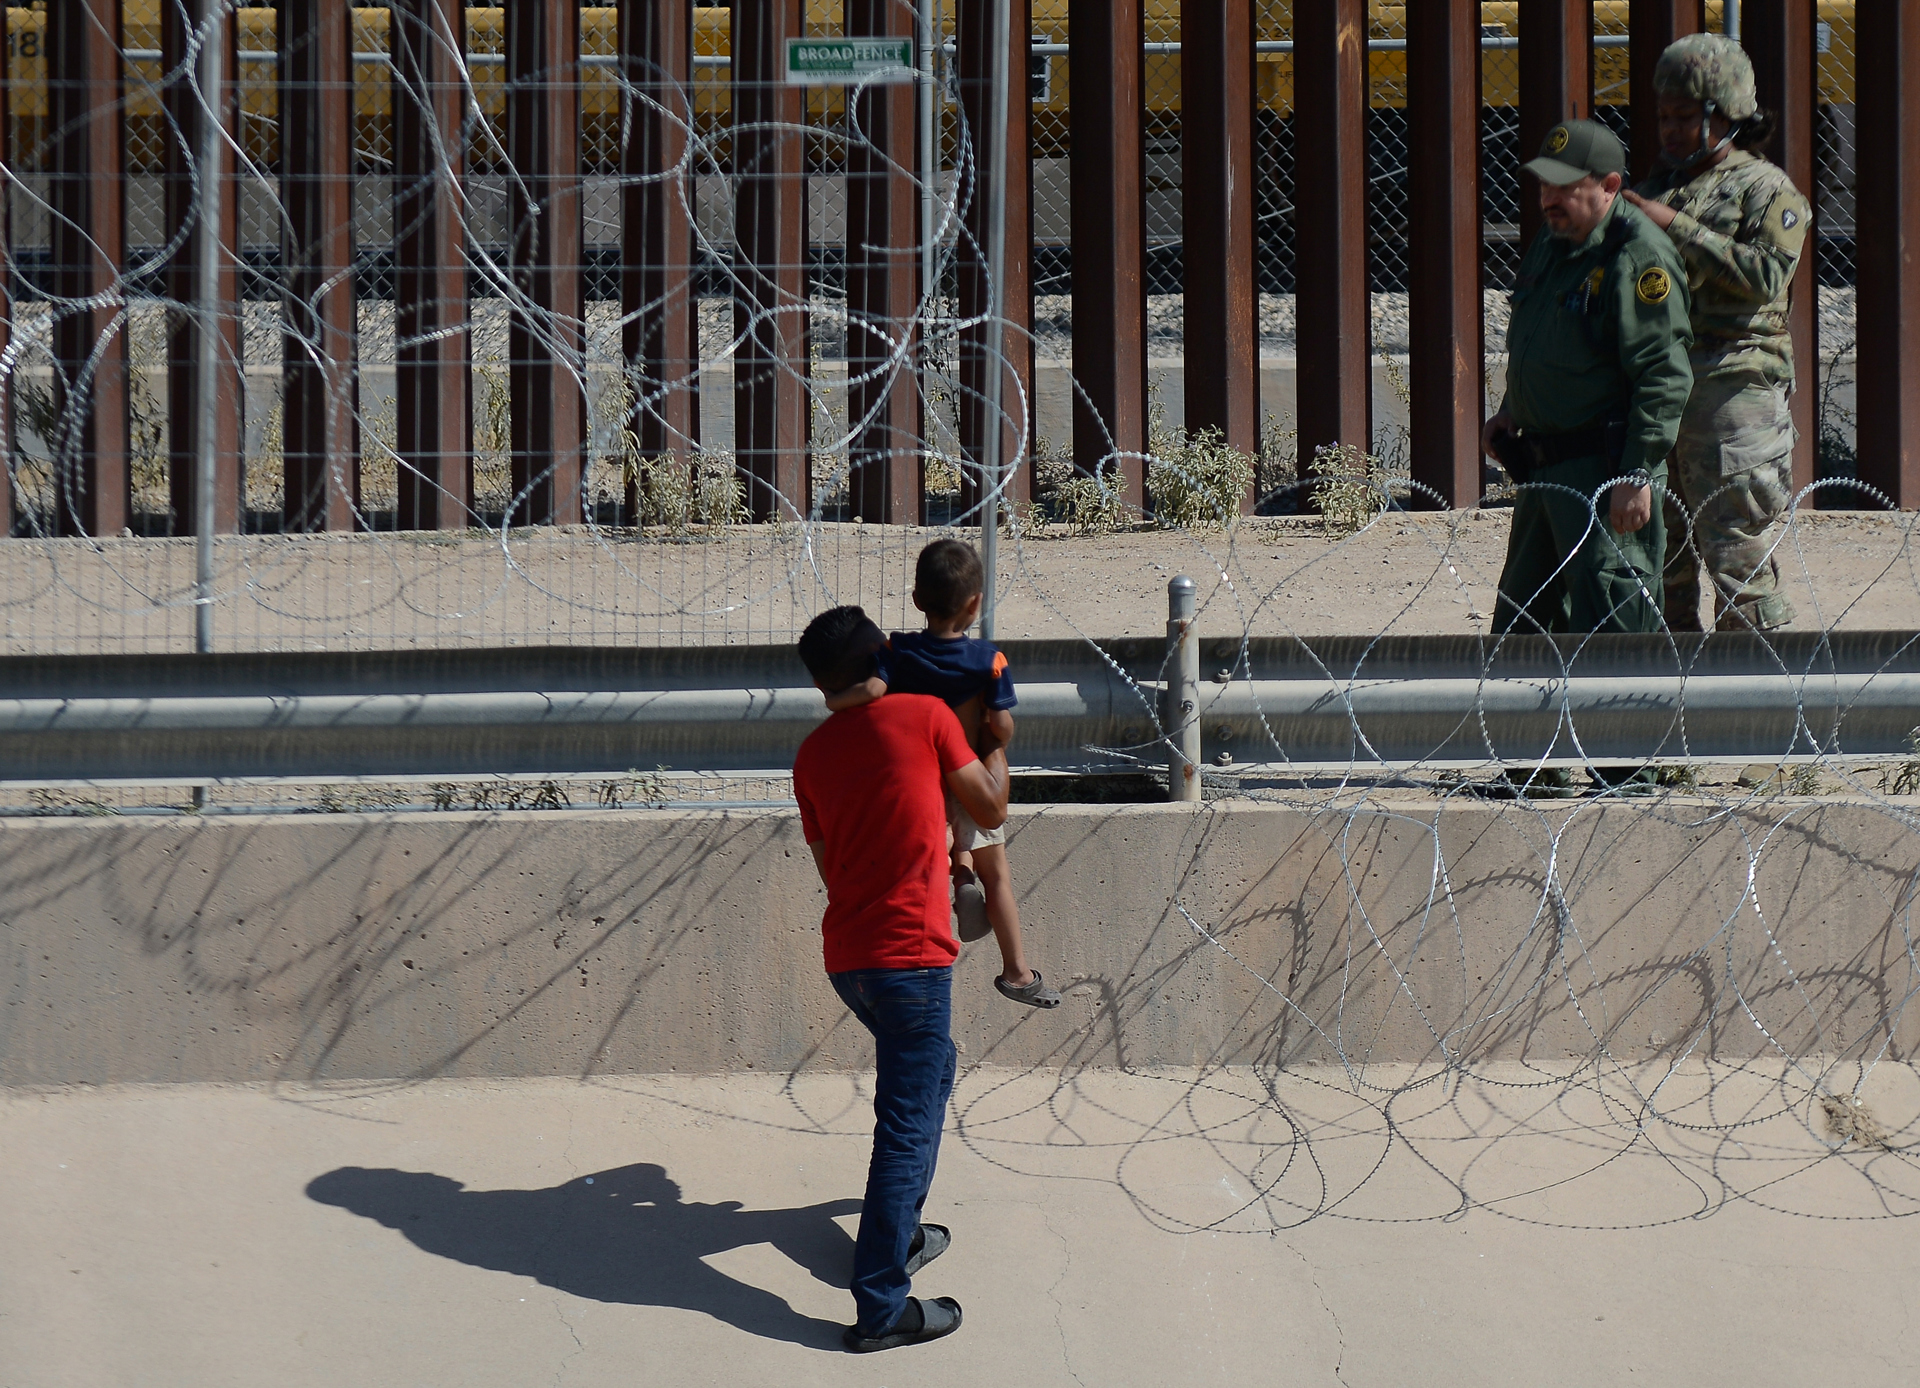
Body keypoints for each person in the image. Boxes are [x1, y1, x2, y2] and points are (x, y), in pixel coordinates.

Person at [793, 604, 1011, 1352]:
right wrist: (1000, 740)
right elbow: (993, 805)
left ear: (821, 684)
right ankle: (882, 1304)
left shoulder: (811, 755)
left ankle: (899, 1236)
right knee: (908, 1126)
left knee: (929, 1073)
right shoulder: (924, 717)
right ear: (882, 655)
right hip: (912, 957)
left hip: (849, 960)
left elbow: (832, 870)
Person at [1481, 119, 1692, 794]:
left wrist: (1636, 474)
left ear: (1608, 187)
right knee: (1524, 614)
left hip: (1604, 472)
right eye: (1543, 184)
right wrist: (1513, 411)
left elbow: (1662, 373)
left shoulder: (1637, 256)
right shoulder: (1555, 244)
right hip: (1543, 471)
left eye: (1564, 188)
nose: (1548, 198)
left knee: (1612, 612)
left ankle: (1624, 772)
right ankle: (1529, 769)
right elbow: (1543, 334)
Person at [1623, 32, 1810, 633]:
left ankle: (1760, 701)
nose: (1671, 130)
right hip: (1661, 389)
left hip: (1734, 387)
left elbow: (1766, 273)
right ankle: (1667, 702)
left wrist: (1671, 226)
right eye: (1663, 117)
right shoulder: (1655, 187)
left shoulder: (1765, 188)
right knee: (1661, 557)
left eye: (1686, 116)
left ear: (1726, 114)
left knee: (1734, 547)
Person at [824, 538, 1062, 1010]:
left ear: (916, 601)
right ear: (975, 604)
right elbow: (1000, 724)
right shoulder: (988, 661)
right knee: (999, 875)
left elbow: (872, 689)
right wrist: (995, 735)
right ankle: (1016, 971)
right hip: (969, 775)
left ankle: (960, 878)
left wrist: (834, 701)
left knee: (949, 844)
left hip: (921, 780)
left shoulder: (899, 650)